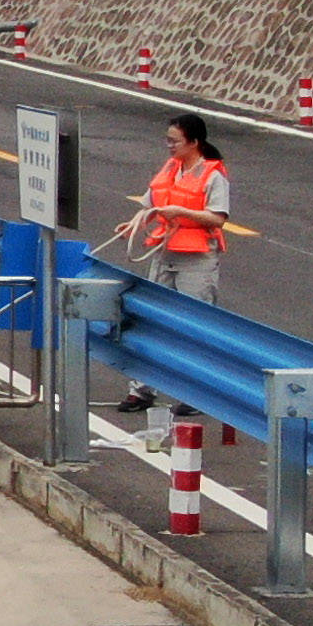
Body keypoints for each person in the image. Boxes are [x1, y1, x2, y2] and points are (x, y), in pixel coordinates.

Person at [114, 112, 229, 419]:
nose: (169, 145)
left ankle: (196, 393)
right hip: (165, 253)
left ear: (194, 142)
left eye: (174, 140)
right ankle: (141, 389)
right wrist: (135, 222)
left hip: (197, 259)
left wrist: (181, 211)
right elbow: (150, 202)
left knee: (194, 327)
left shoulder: (212, 176)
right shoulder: (170, 168)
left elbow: (218, 218)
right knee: (150, 320)